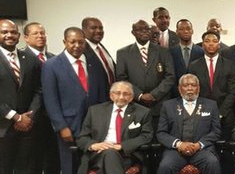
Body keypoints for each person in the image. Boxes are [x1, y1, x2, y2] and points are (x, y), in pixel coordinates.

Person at [42, 27, 109, 174]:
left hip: (94, 124)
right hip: (69, 125)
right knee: (70, 164)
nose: (77, 46)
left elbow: (102, 92)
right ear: (64, 42)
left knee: (93, 164)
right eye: (72, 42)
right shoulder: (51, 65)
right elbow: (50, 100)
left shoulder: (94, 62)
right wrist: (61, 127)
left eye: (81, 42)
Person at [76, 81, 153, 174]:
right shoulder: (94, 111)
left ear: (131, 97)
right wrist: (93, 145)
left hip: (126, 155)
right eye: (117, 93)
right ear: (111, 95)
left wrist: (121, 146)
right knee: (110, 154)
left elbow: (146, 136)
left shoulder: (143, 112)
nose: (121, 97)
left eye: (125, 94)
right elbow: (82, 138)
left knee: (109, 156)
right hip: (97, 155)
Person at [116, 20, 175, 131]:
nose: (145, 32)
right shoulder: (123, 53)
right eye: (140, 30)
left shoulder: (163, 51)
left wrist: (154, 95)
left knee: (160, 139)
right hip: (135, 105)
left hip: (159, 104)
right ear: (133, 32)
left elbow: (170, 76)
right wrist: (139, 95)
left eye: (147, 29)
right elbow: (122, 79)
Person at [0, 19, 42, 174]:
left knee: (26, 169)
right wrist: (16, 117)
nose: (9, 35)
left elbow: (39, 89)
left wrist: (30, 115)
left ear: (19, 36)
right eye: (4, 32)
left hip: (27, 127)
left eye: (13, 32)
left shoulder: (30, 58)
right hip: (3, 127)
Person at [157, 74, 222, 174]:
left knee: (212, 162)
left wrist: (198, 145)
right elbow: (161, 133)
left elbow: (216, 131)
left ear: (198, 88)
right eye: (186, 85)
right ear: (179, 89)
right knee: (165, 166)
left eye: (193, 85)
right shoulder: (168, 106)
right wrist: (179, 144)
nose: (190, 88)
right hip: (175, 151)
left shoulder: (211, 105)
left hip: (202, 150)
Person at [21, 21, 60, 174]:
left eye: (42, 33)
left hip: (54, 118)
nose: (40, 36)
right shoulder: (21, 57)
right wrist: (31, 114)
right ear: (25, 37)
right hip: (32, 117)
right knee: (33, 161)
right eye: (35, 33)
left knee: (53, 159)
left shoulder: (54, 58)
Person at [188, 30, 235, 140]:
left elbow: (233, 91)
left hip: (225, 114)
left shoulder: (229, 65)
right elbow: (192, 91)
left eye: (214, 41)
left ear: (219, 44)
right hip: (200, 114)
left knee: (226, 149)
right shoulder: (193, 66)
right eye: (207, 41)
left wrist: (220, 113)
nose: (211, 44)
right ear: (202, 44)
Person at [169, 19, 204, 97]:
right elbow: (170, 75)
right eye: (182, 29)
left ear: (192, 31)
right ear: (177, 32)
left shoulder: (201, 52)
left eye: (188, 28)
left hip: (197, 95)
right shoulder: (170, 52)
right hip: (175, 95)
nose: (185, 31)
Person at [82, 17, 115, 86]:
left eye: (101, 28)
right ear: (83, 31)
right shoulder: (81, 50)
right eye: (93, 28)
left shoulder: (101, 47)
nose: (98, 31)